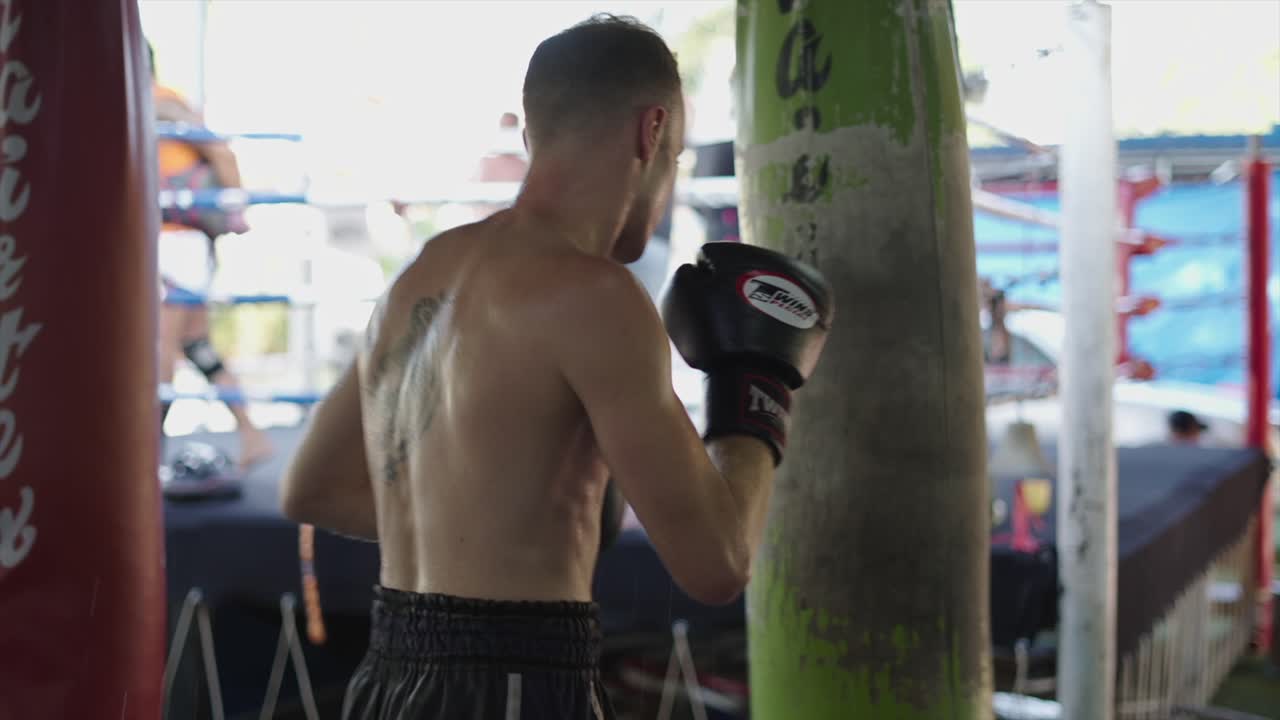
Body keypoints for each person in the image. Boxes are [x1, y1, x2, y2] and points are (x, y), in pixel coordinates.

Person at [280, 15, 832, 720]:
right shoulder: (596, 296)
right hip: (517, 681)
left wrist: (479, 531)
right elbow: (717, 564)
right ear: (652, 131)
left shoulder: (422, 277)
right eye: (678, 158)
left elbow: (311, 488)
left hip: (389, 679)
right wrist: (756, 388)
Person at [149, 42, 273, 471]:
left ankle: (148, 459)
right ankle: (251, 432)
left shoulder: (157, 100)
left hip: (176, 243)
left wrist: (234, 207)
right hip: (177, 242)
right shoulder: (154, 103)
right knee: (195, 344)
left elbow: (219, 149)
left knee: (161, 348)